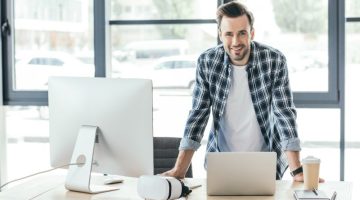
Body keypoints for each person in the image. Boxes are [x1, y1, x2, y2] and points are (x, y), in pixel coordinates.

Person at [162, 1, 304, 181]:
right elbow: (198, 115)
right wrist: (179, 169)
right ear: (220, 35)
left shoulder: (273, 60)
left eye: (242, 33)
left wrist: (297, 171)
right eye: (229, 34)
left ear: (251, 33)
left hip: (265, 161)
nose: (235, 42)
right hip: (222, 162)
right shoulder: (207, 62)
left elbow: (284, 114)